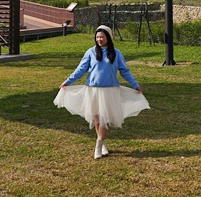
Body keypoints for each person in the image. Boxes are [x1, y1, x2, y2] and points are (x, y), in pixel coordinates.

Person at [54, 25, 150, 159]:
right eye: (97, 37)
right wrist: (68, 81)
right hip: (93, 90)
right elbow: (80, 69)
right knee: (98, 118)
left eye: (102, 37)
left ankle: (98, 145)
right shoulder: (91, 52)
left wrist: (135, 85)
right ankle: (103, 143)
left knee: (105, 119)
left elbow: (124, 71)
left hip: (110, 91)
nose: (99, 39)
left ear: (108, 38)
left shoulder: (116, 53)